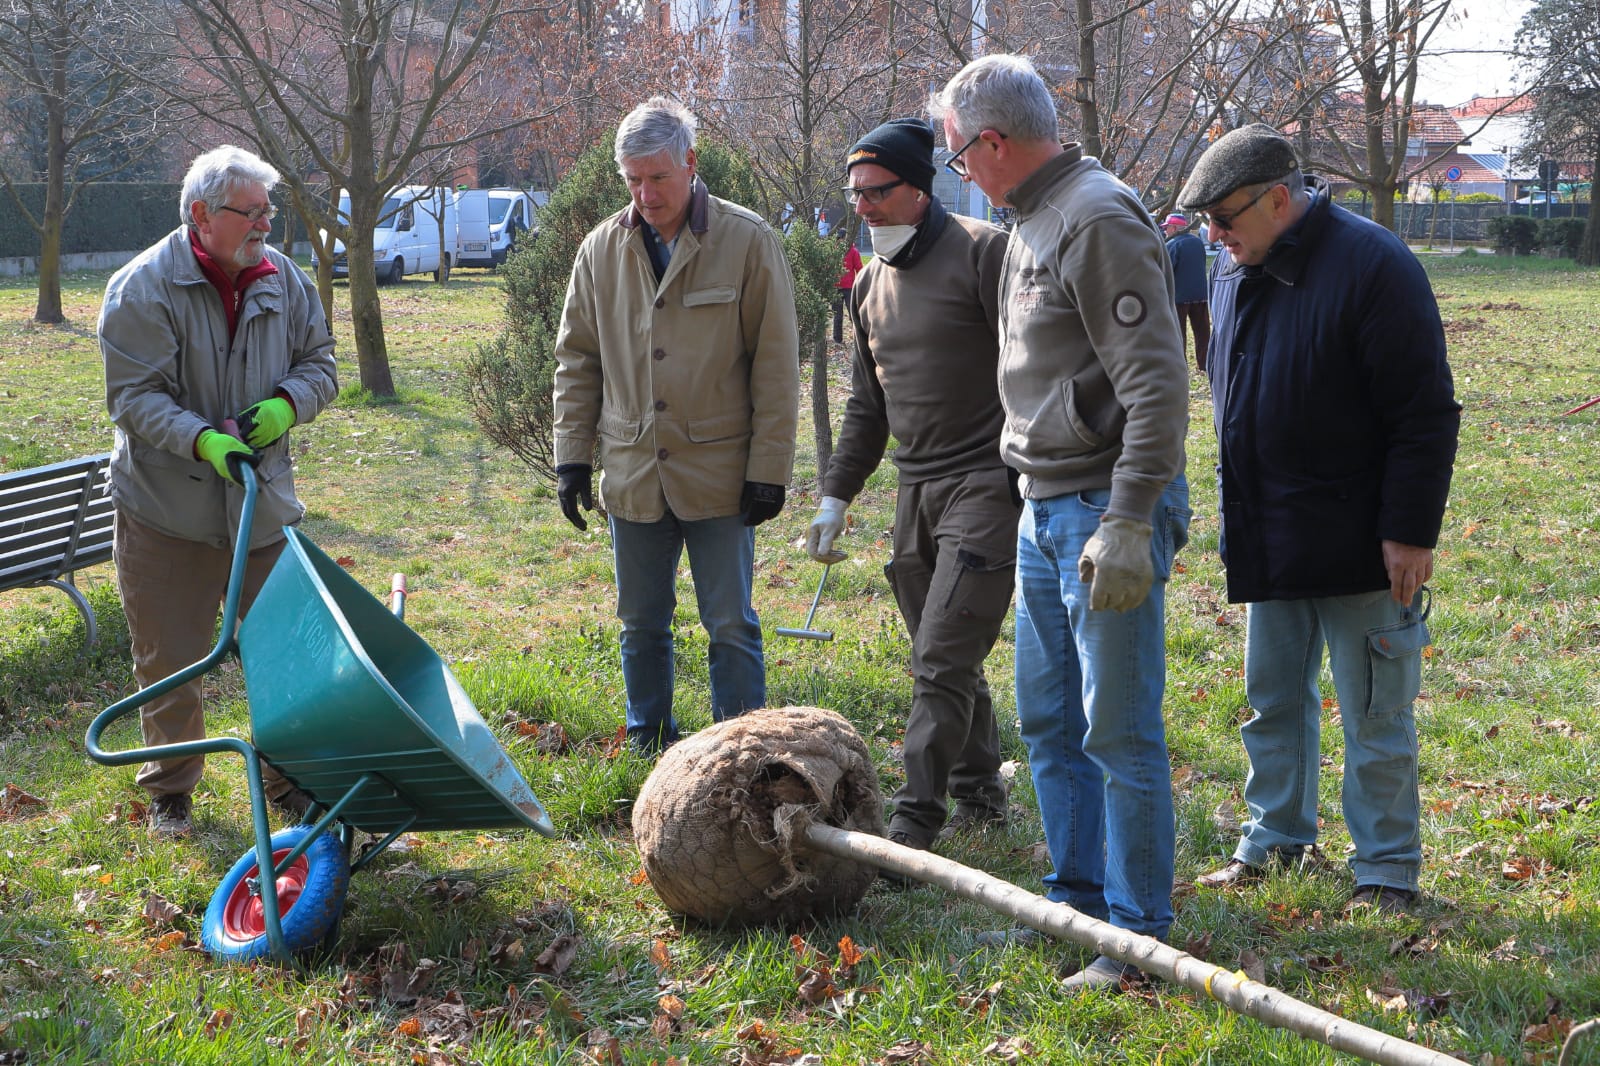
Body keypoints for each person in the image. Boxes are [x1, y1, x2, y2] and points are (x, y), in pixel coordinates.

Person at [931, 55, 1191, 991]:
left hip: (1100, 510)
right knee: (1050, 723)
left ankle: (1136, 943)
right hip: (1042, 506)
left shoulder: (1094, 216)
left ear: (993, 142)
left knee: (1116, 730)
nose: (958, 171)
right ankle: (1074, 905)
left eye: (959, 154)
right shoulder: (1030, 216)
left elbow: (1158, 385)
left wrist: (1128, 520)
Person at [1177, 124, 1460, 914]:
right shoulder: (1235, 267)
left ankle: (1387, 871)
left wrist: (1409, 530)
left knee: (1374, 711)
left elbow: (1424, 414)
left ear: (1279, 198)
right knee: (1272, 702)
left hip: (1364, 543)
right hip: (1271, 536)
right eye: (1207, 222)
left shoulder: (1375, 266)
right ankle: (1275, 842)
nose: (1214, 235)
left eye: (1225, 218)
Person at [99, 145, 338, 838]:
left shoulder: (284, 281)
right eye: (251, 211)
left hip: (260, 508)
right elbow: (133, 398)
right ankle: (171, 792)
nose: (266, 223)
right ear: (201, 215)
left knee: (285, 654)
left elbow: (320, 360)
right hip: (164, 511)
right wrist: (201, 439)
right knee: (168, 659)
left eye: (270, 208)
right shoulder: (142, 288)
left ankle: (288, 781)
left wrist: (290, 403)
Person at [552, 96, 800, 754]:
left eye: (658, 178)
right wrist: (571, 458)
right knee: (639, 623)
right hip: (633, 471)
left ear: (689, 164)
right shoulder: (601, 248)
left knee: (729, 623)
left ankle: (743, 755)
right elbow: (576, 360)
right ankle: (648, 742)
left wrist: (769, 471)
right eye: (632, 179)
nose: (645, 193)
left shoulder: (747, 242)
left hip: (721, 475)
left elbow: (776, 366)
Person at [806, 118, 1015, 857]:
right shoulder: (867, 283)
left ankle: (913, 823)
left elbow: (1035, 363)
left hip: (989, 481)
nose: (862, 205)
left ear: (920, 189)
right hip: (914, 487)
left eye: (877, 191)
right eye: (854, 192)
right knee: (944, 647)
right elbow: (867, 405)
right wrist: (836, 495)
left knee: (940, 657)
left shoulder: (985, 254)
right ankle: (981, 786)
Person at [1161, 213, 1210, 372]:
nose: (1165, 231)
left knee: (1178, 334)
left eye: (1167, 228)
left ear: (1174, 227)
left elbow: (1166, 272)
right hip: (1200, 294)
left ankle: (1180, 366)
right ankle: (1204, 365)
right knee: (1202, 334)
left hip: (1180, 297)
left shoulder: (1172, 245)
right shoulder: (1198, 242)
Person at [833, 238, 863, 343]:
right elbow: (859, 268)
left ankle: (844, 339)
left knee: (847, 314)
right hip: (842, 287)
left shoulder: (851, 251)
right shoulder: (851, 251)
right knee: (844, 315)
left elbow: (859, 268)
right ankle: (842, 339)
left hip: (844, 287)